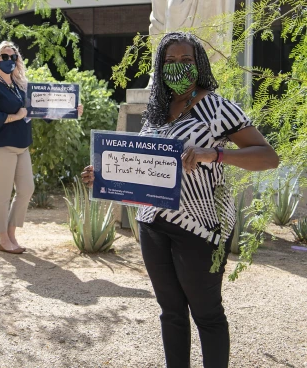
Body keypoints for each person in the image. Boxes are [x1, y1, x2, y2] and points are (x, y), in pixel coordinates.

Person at [82, 32, 278, 368]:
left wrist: (215, 154)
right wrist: (105, 175)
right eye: (170, 62)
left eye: (186, 60)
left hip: (201, 227)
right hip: (153, 224)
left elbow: (267, 157)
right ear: (160, 68)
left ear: (198, 64)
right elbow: (143, 165)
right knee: (171, 312)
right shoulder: (156, 112)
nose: (178, 68)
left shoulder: (216, 107)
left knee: (206, 312)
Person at [0, 41, 82, 254]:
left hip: (22, 146)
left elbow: (43, 111)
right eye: (5, 57)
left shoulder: (21, 86)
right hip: (0, 146)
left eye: (13, 57)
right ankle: (3, 239)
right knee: (4, 193)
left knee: (26, 189)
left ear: (18, 62)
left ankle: (11, 233)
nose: (9, 61)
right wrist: (15, 116)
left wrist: (72, 110)